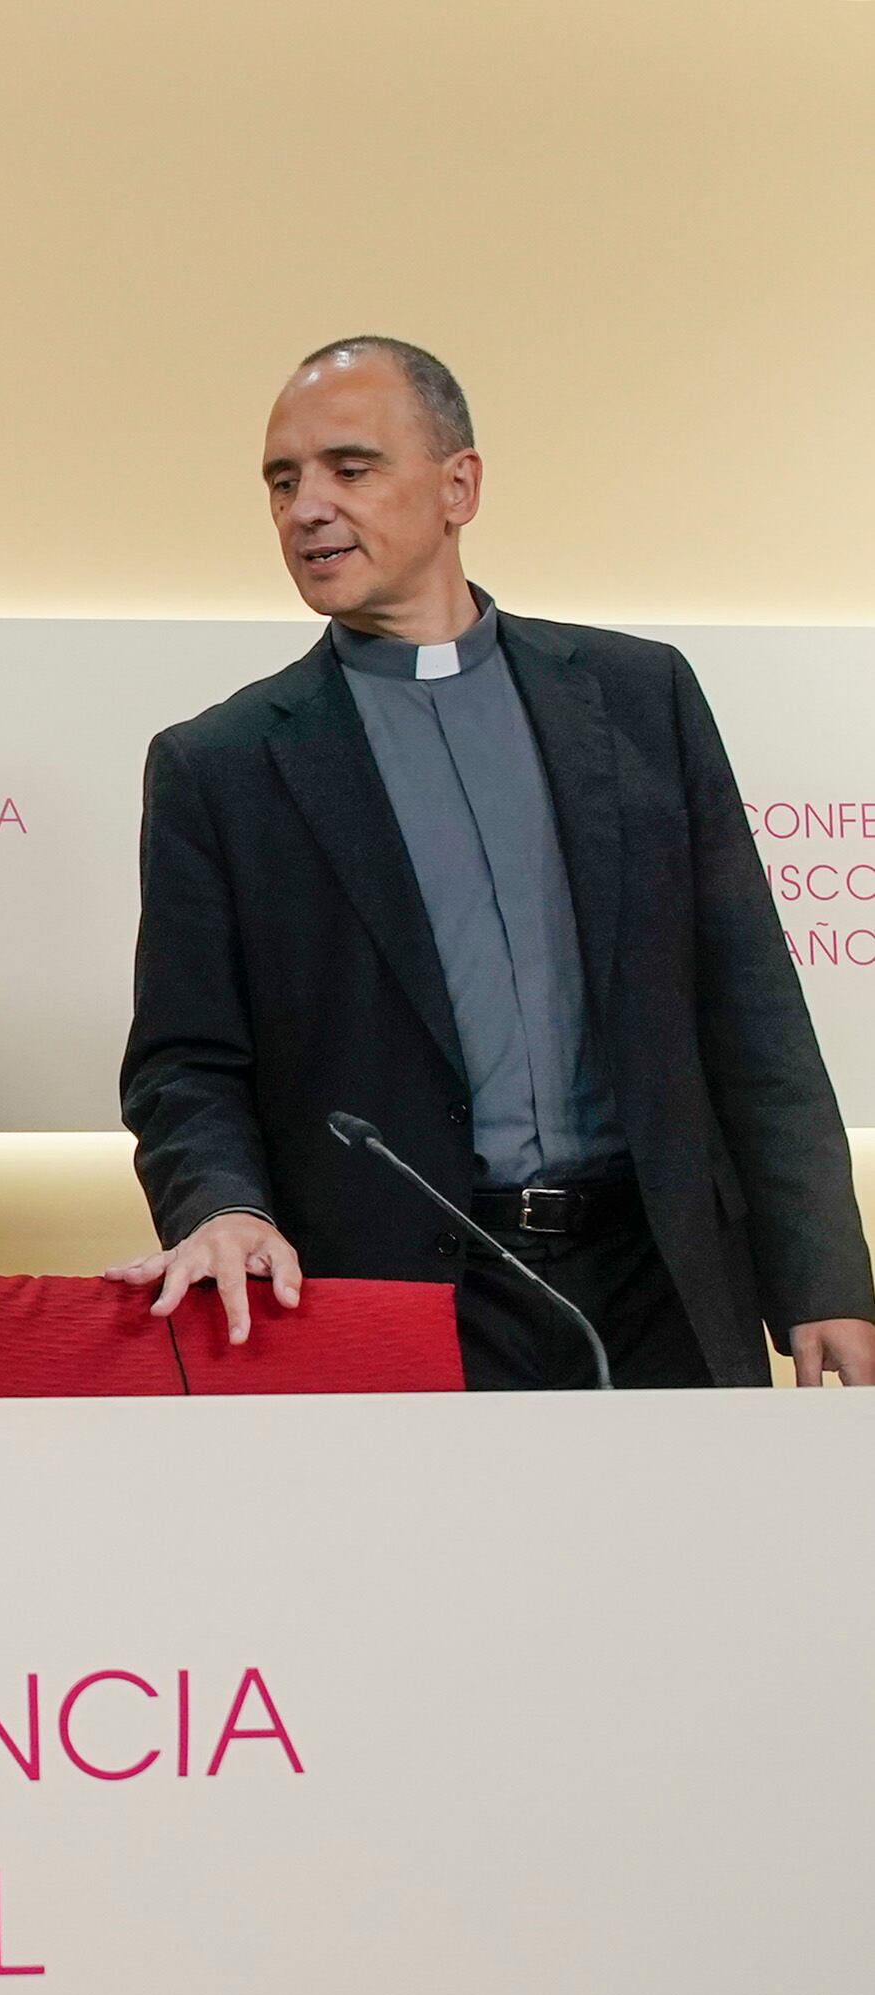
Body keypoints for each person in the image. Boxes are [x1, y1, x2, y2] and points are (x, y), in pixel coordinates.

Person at [114, 337, 871, 1388]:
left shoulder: (637, 697)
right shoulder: (220, 764)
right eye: (280, 482)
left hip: (659, 1276)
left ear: (456, 485)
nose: (305, 508)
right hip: (397, 1296)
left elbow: (750, 1008)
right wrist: (223, 1206)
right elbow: (182, 1062)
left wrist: (820, 1274)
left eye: (349, 467)